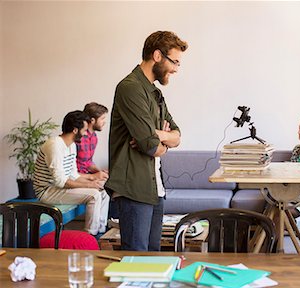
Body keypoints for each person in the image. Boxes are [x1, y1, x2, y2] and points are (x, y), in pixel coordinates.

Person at [105, 31, 188, 251]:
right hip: (134, 187)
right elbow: (149, 146)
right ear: (158, 56)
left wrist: (160, 135)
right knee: (136, 259)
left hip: (155, 188)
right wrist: (157, 142)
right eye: (175, 62)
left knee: (153, 259)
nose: (177, 69)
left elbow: (177, 136)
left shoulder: (155, 93)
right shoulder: (130, 87)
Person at [33, 111, 110, 236]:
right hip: (47, 191)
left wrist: (94, 181)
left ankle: (101, 232)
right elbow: (60, 181)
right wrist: (90, 185)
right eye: (84, 130)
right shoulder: (54, 145)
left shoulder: (71, 145)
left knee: (104, 190)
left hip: (59, 188)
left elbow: (73, 175)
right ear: (75, 130)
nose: (86, 134)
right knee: (94, 195)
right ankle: (90, 235)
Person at [76, 102, 109, 181]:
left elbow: (88, 163)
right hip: (77, 177)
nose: (104, 122)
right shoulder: (78, 137)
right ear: (92, 120)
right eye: (102, 119)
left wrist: (99, 171)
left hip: (87, 174)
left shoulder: (94, 137)